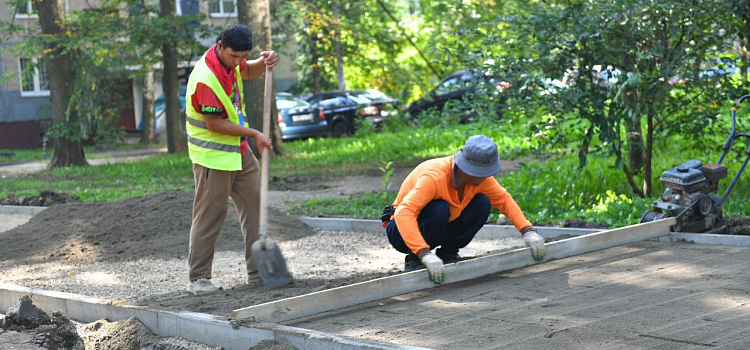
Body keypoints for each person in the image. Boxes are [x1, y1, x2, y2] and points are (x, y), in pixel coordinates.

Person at [185, 24, 278, 294]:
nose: (238, 62)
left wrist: (266, 61)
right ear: (220, 46)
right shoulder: (204, 78)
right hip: (213, 156)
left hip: (239, 152)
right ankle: (199, 278)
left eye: (242, 56)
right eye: (234, 56)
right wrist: (254, 133)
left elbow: (249, 70)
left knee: (255, 206)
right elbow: (214, 123)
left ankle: (257, 271)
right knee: (211, 214)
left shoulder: (232, 63)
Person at [382, 135, 546, 284]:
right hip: (401, 231)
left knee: (482, 203)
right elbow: (404, 213)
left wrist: (527, 230)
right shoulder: (434, 177)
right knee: (439, 208)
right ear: (468, 169)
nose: (486, 176)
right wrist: (424, 253)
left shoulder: (481, 181)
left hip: (438, 225)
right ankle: (414, 259)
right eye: (482, 173)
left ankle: (448, 254)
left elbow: (503, 200)